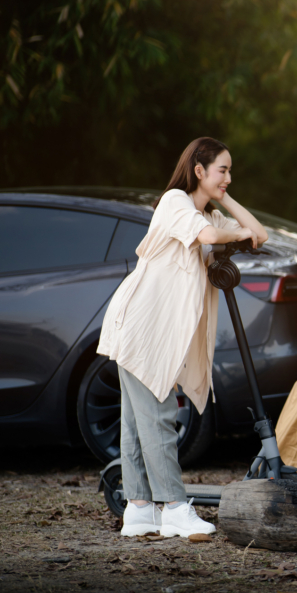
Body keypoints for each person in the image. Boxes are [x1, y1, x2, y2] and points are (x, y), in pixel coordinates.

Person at [98, 137, 268, 538]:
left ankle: (139, 510)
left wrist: (225, 199)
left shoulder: (210, 214)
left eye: (229, 171)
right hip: (142, 325)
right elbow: (208, 238)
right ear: (198, 171)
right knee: (158, 415)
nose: (229, 177)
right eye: (222, 170)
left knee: (136, 421)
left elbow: (259, 235)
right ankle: (174, 507)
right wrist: (230, 226)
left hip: (154, 331)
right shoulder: (175, 202)